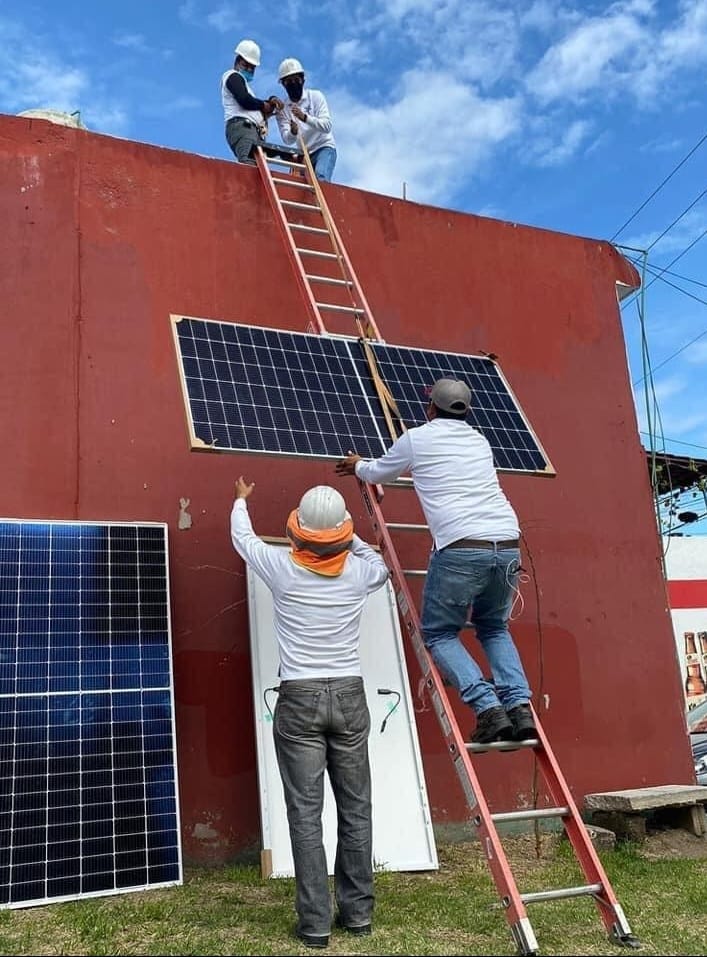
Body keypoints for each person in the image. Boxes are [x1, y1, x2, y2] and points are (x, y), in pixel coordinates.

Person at [230, 479, 389, 948]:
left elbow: (243, 539)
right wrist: (351, 535)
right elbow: (376, 561)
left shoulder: (280, 568)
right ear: (340, 535)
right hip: (349, 695)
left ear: (297, 533)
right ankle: (358, 916)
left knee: (305, 813)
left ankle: (316, 925)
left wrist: (241, 499)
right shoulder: (360, 575)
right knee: (356, 808)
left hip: (298, 697)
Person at [336, 377, 536, 745]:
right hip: (507, 543)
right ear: (467, 410)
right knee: (493, 627)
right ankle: (519, 707)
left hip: (461, 546)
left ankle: (488, 709)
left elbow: (381, 472)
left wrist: (357, 465)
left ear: (431, 408)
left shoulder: (418, 438)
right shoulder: (479, 441)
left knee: (440, 632)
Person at [221, 39, 284, 164]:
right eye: (246, 65)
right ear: (237, 62)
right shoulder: (232, 76)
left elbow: (252, 103)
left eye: (252, 68)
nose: (249, 70)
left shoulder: (245, 86)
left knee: (258, 167)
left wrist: (270, 103)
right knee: (249, 165)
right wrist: (263, 105)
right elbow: (244, 100)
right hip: (242, 127)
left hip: (252, 130)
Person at [274, 58, 337, 182]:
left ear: (303, 79)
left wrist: (305, 118)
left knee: (321, 178)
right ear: (283, 84)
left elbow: (327, 126)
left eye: (296, 80)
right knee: (301, 188)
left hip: (323, 147)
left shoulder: (315, 97)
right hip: (304, 154)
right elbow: (287, 140)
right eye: (288, 82)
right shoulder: (283, 109)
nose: (293, 84)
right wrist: (293, 132)